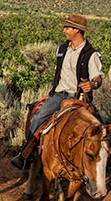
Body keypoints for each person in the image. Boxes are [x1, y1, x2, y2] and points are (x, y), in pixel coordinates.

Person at [11, 13, 104, 170]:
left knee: (102, 129)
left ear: (77, 30)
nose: (64, 31)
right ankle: (26, 155)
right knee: (39, 116)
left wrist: (92, 84)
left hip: (79, 98)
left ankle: (99, 162)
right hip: (59, 95)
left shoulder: (91, 54)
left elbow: (97, 77)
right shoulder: (61, 49)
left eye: (67, 28)